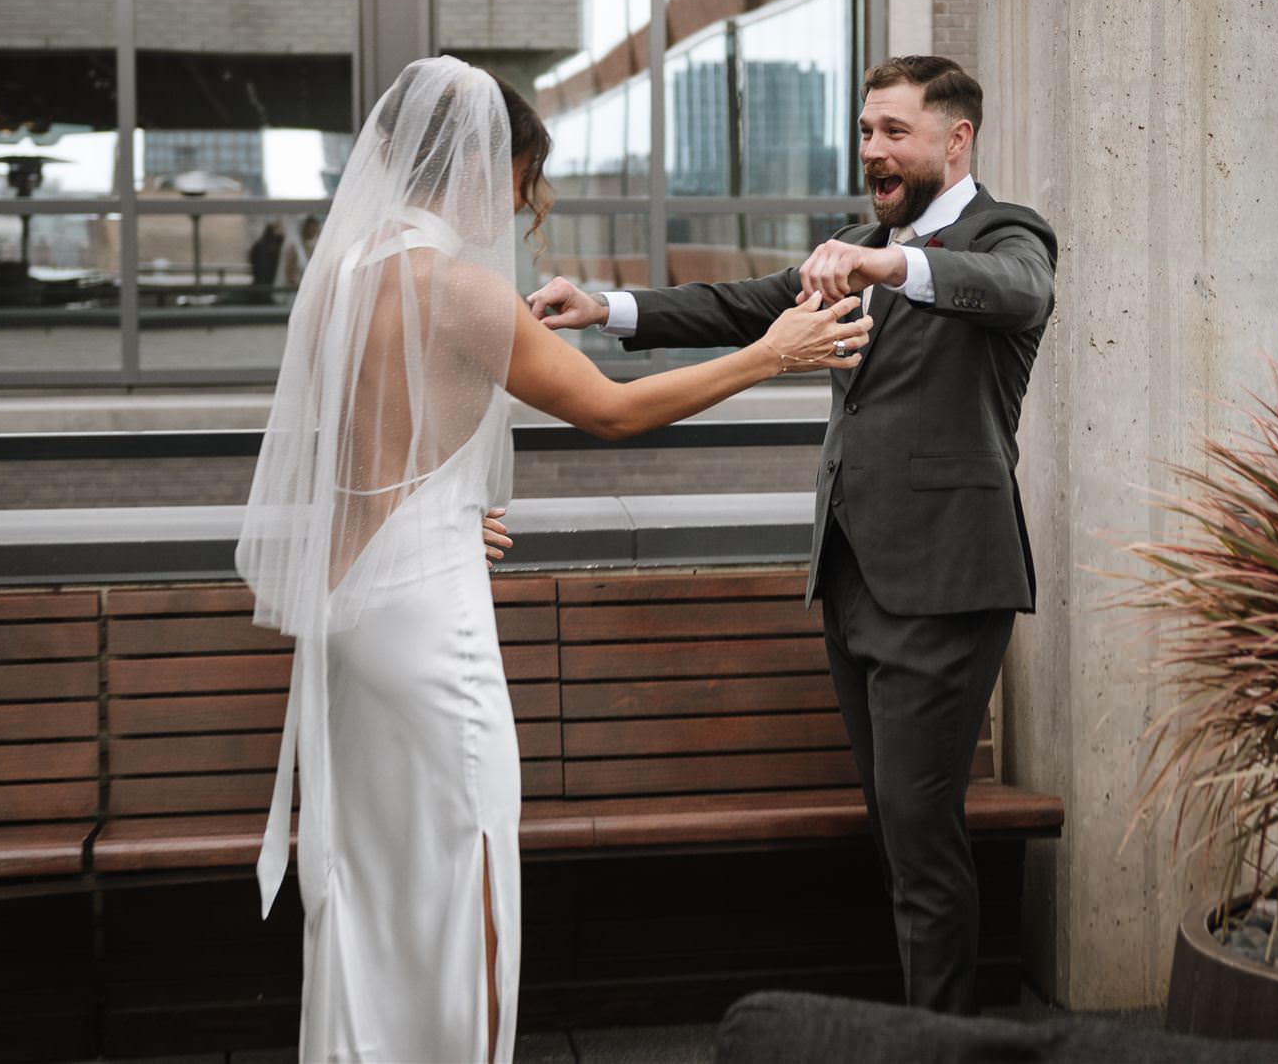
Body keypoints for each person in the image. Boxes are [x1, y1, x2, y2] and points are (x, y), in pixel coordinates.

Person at [240, 56, 868, 1064]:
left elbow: (365, 455)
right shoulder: (460, 290)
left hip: (353, 602)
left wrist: (442, 511)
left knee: (375, 864)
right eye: (519, 174)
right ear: (485, 165)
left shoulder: (342, 280)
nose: (519, 199)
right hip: (426, 622)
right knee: (470, 852)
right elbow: (613, 411)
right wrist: (770, 355)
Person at [529, 55, 1056, 1015]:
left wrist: (887, 262)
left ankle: (940, 1042)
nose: (873, 151)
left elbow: (1014, 290)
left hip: (945, 585)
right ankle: (922, 1030)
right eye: (865, 131)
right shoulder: (852, 242)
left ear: (955, 138)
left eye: (894, 131)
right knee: (897, 834)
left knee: (924, 837)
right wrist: (608, 307)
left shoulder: (1006, 236)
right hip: (852, 580)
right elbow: (742, 304)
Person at [282, 213, 321, 288]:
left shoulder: (313, 247)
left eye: (316, 229)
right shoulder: (294, 248)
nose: (314, 232)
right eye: (312, 229)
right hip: (296, 291)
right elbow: (290, 274)